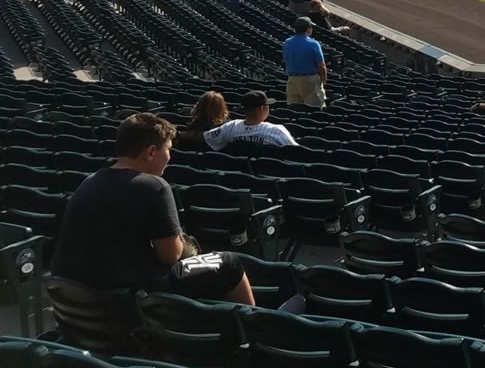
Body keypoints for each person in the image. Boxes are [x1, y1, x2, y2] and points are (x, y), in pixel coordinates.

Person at [50, 113, 255, 305]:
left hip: (75, 293)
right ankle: (253, 335)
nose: (169, 156)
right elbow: (170, 255)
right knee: (230, 263)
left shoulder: (89, 181)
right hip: (125, 297)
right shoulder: (154, 186)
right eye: (168, 149)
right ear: (151, 152)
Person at [204, 90, 297, 150]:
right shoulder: (277, 131)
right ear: (262, 108)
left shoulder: (230, 127)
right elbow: (296, 153)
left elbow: (203, 137)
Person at [283, 16, 329, 108]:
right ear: (308, 28)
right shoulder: (313, 43)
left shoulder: (287, 42)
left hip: (292, 80)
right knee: (315, 110)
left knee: (295, 110)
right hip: (309, 81)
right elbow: (321, 65)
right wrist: (323, 81)